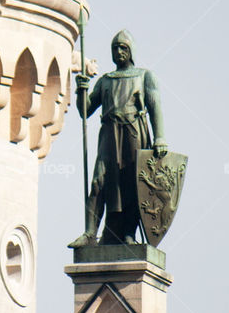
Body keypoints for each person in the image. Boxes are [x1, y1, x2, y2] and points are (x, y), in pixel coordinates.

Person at [71, 29, 167, 245]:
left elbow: (155, 107)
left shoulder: (144, 76)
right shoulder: (105, 80)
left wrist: (160, 138)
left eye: (123, 47)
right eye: (115, 48)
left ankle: (129, 233)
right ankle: (89, 233)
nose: (118, 51)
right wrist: (81, 90)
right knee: (99, 181)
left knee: (133, 183)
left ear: (131, 51)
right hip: (109, 134)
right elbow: (85, 110)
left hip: (134, 132)